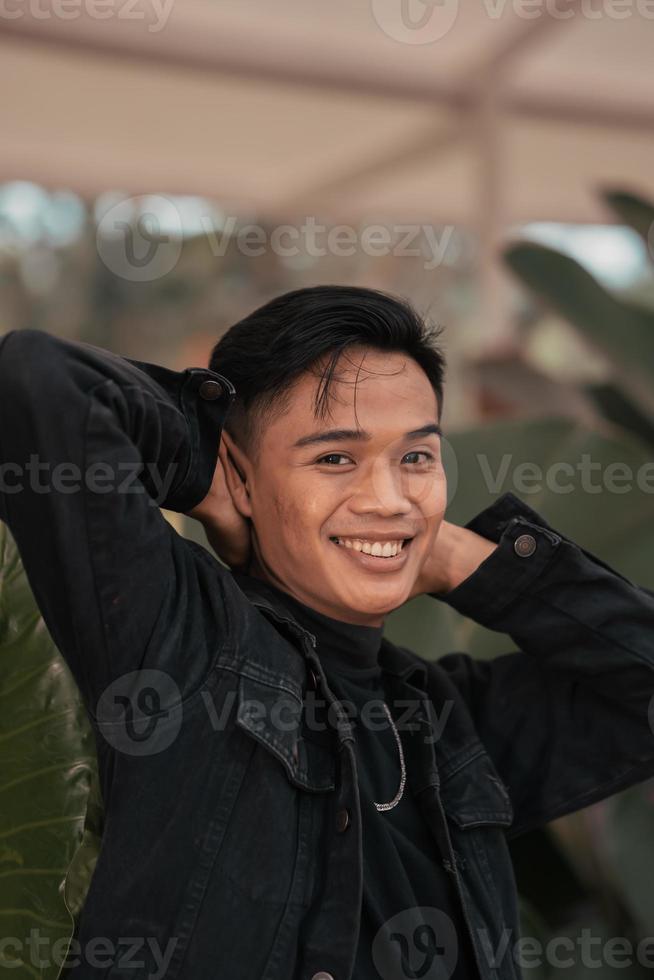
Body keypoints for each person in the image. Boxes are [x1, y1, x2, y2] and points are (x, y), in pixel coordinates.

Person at [0, 284, 653, 980]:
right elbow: (36, 381)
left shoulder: (453, 727)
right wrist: (201, 472)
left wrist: (464, 560)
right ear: (244, 478)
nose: (388, 498)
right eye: (335, 458)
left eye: (417, 458)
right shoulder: (186, 637)